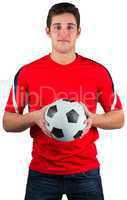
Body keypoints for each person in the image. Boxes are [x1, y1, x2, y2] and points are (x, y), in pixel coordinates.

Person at [3, 2, 124, 200]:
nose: (63, 33)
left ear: (78, 32)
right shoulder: (28, 72)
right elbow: (8, 122)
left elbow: (119, 118)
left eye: (70, 27)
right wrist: (34, 116)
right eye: (57, 27)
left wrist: (92, 118)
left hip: (86, 171)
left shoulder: (97, 72)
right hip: (42, 172)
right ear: (48, 31)